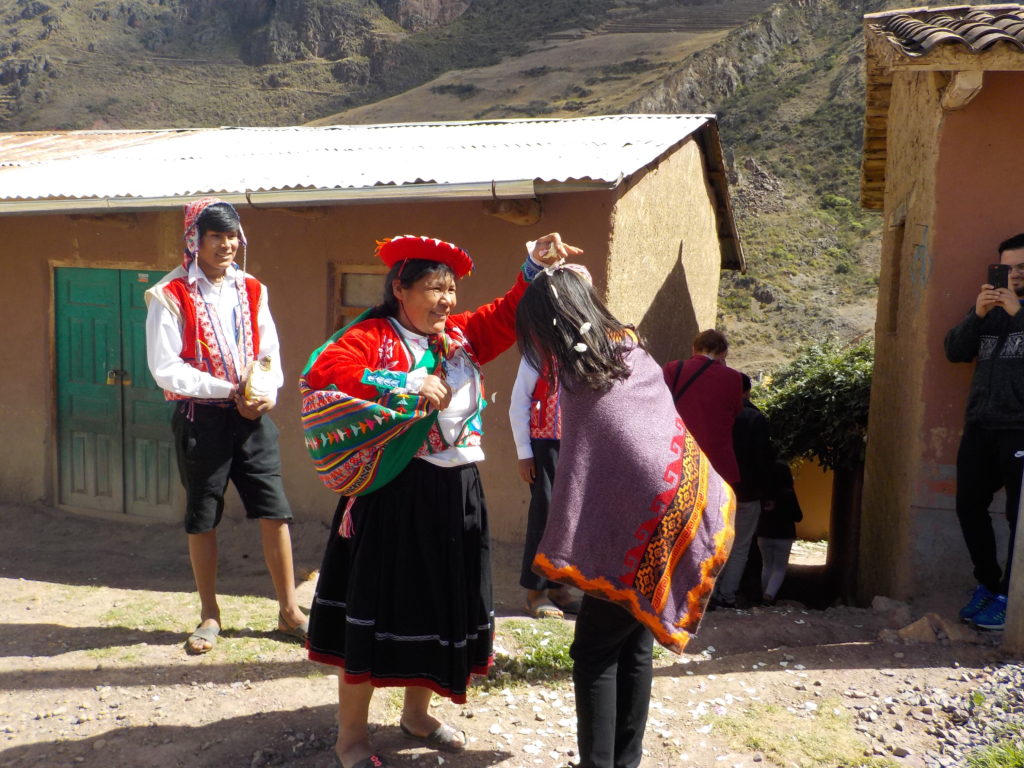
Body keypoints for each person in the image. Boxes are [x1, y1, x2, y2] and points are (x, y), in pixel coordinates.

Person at [301, 233, 579, 768]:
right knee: (377, 607)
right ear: (400, 289)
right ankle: (351, 738)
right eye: (433, 287)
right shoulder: (371, 335)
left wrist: (532, 265)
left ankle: (416, 715)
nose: (446, 299)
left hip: (456, 491)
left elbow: (504, 314)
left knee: (436, 603)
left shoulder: (461, 339)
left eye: (450, 289)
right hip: (395, 493)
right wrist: (401, 384)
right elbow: (325, 372)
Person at [516, 264, 734, 768]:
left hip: (650, 520)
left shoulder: (580, 377)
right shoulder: (632, 350)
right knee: (634, 637)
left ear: (553, 325)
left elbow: (581, 469)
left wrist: (567, 537)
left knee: (591, 652)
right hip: (692, 499)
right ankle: (624, 761)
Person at [144, 197, 307, 655]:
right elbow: (165, 368)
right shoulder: (168, 295)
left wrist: (265, 391)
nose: (227, 244)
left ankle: (290, 611)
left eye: (232, 235)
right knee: (203, 517)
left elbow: (269, 352)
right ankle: (209, 615)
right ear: (193, 241)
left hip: (253, 418)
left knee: (274, 510)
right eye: (215, 235)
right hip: (202, 420)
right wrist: (227, 391)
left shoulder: (253, 289)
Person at [943, 232, 1024, 631]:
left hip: (1020, 429)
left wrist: (1018, 313)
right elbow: (955, 351)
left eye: (1022, 269)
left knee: (1017, 515)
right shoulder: (987, 309)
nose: (1014, 276)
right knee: (968, 505)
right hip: (980, 426)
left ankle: (1012, 597)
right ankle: (989, 586)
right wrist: (976, 314)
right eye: (1007, 269)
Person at [509, 352, 582, 620]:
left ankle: (558, 588)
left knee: (568, 517)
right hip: (544, 445)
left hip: (576, 445)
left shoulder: (582, 351)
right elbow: (519, 403)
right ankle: (534, 594)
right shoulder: (535, 354)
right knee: (545, 514)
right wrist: (524, 453)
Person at [713, 372, 775, 608]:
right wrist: (767, 493)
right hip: (747, 493)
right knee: (740, 546)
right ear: (747, 392)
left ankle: (709, 593)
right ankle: (726, 595)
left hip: (718, 490)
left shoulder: (717, 415)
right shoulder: (754, 418)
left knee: (716, 543)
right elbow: (763, 459)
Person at [663, 329, 744, 487]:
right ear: (723, 353)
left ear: (694, 348)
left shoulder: (673, 369)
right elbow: (735, 411)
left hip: (680, 456)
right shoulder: (734, 378)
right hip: (716, 461)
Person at [757, 460, 803, 605]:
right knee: (779, 568)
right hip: (784, 536)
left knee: (766, 565)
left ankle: (764, 594)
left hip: (763, 534)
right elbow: (798, 516)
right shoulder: (788, 494)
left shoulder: (762, 493)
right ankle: (769, 596)